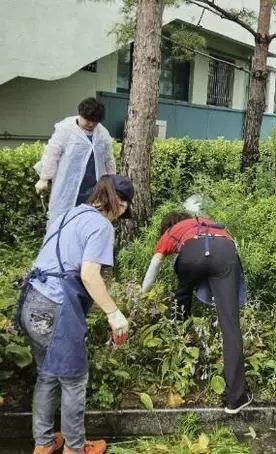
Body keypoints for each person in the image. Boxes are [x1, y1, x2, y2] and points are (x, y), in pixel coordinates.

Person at [15, 175, 133, 454]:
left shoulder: (69, 214)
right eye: (126, 207)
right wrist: (115, 314)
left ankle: (43, 444)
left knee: (47, 375)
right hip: (56, 307)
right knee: (73, 379)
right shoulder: (101, 225)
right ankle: (75, 448)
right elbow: (89, 275)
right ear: (120, 202)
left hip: (32, 300)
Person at [140, 211, 251, 414]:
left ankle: (180, 334)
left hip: (191, 256)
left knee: (182, 292)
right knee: (230, 324)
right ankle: (236, 399)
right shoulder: (214, 223)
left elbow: (155, 263)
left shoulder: (174, 230)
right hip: (226, 253)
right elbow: (234, 250)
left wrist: (141, 295)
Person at [34, 97, 116, 228]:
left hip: (93, 189)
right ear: (80, 114)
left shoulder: (102, 133)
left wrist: (112, 183)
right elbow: (52, 153)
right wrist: (44, 178)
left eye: (95, 122)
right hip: (67, 186)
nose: (91, 125)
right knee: (63, 222)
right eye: (88, 120)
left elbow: (109, 159)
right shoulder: (65, 129)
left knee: (88, 223)